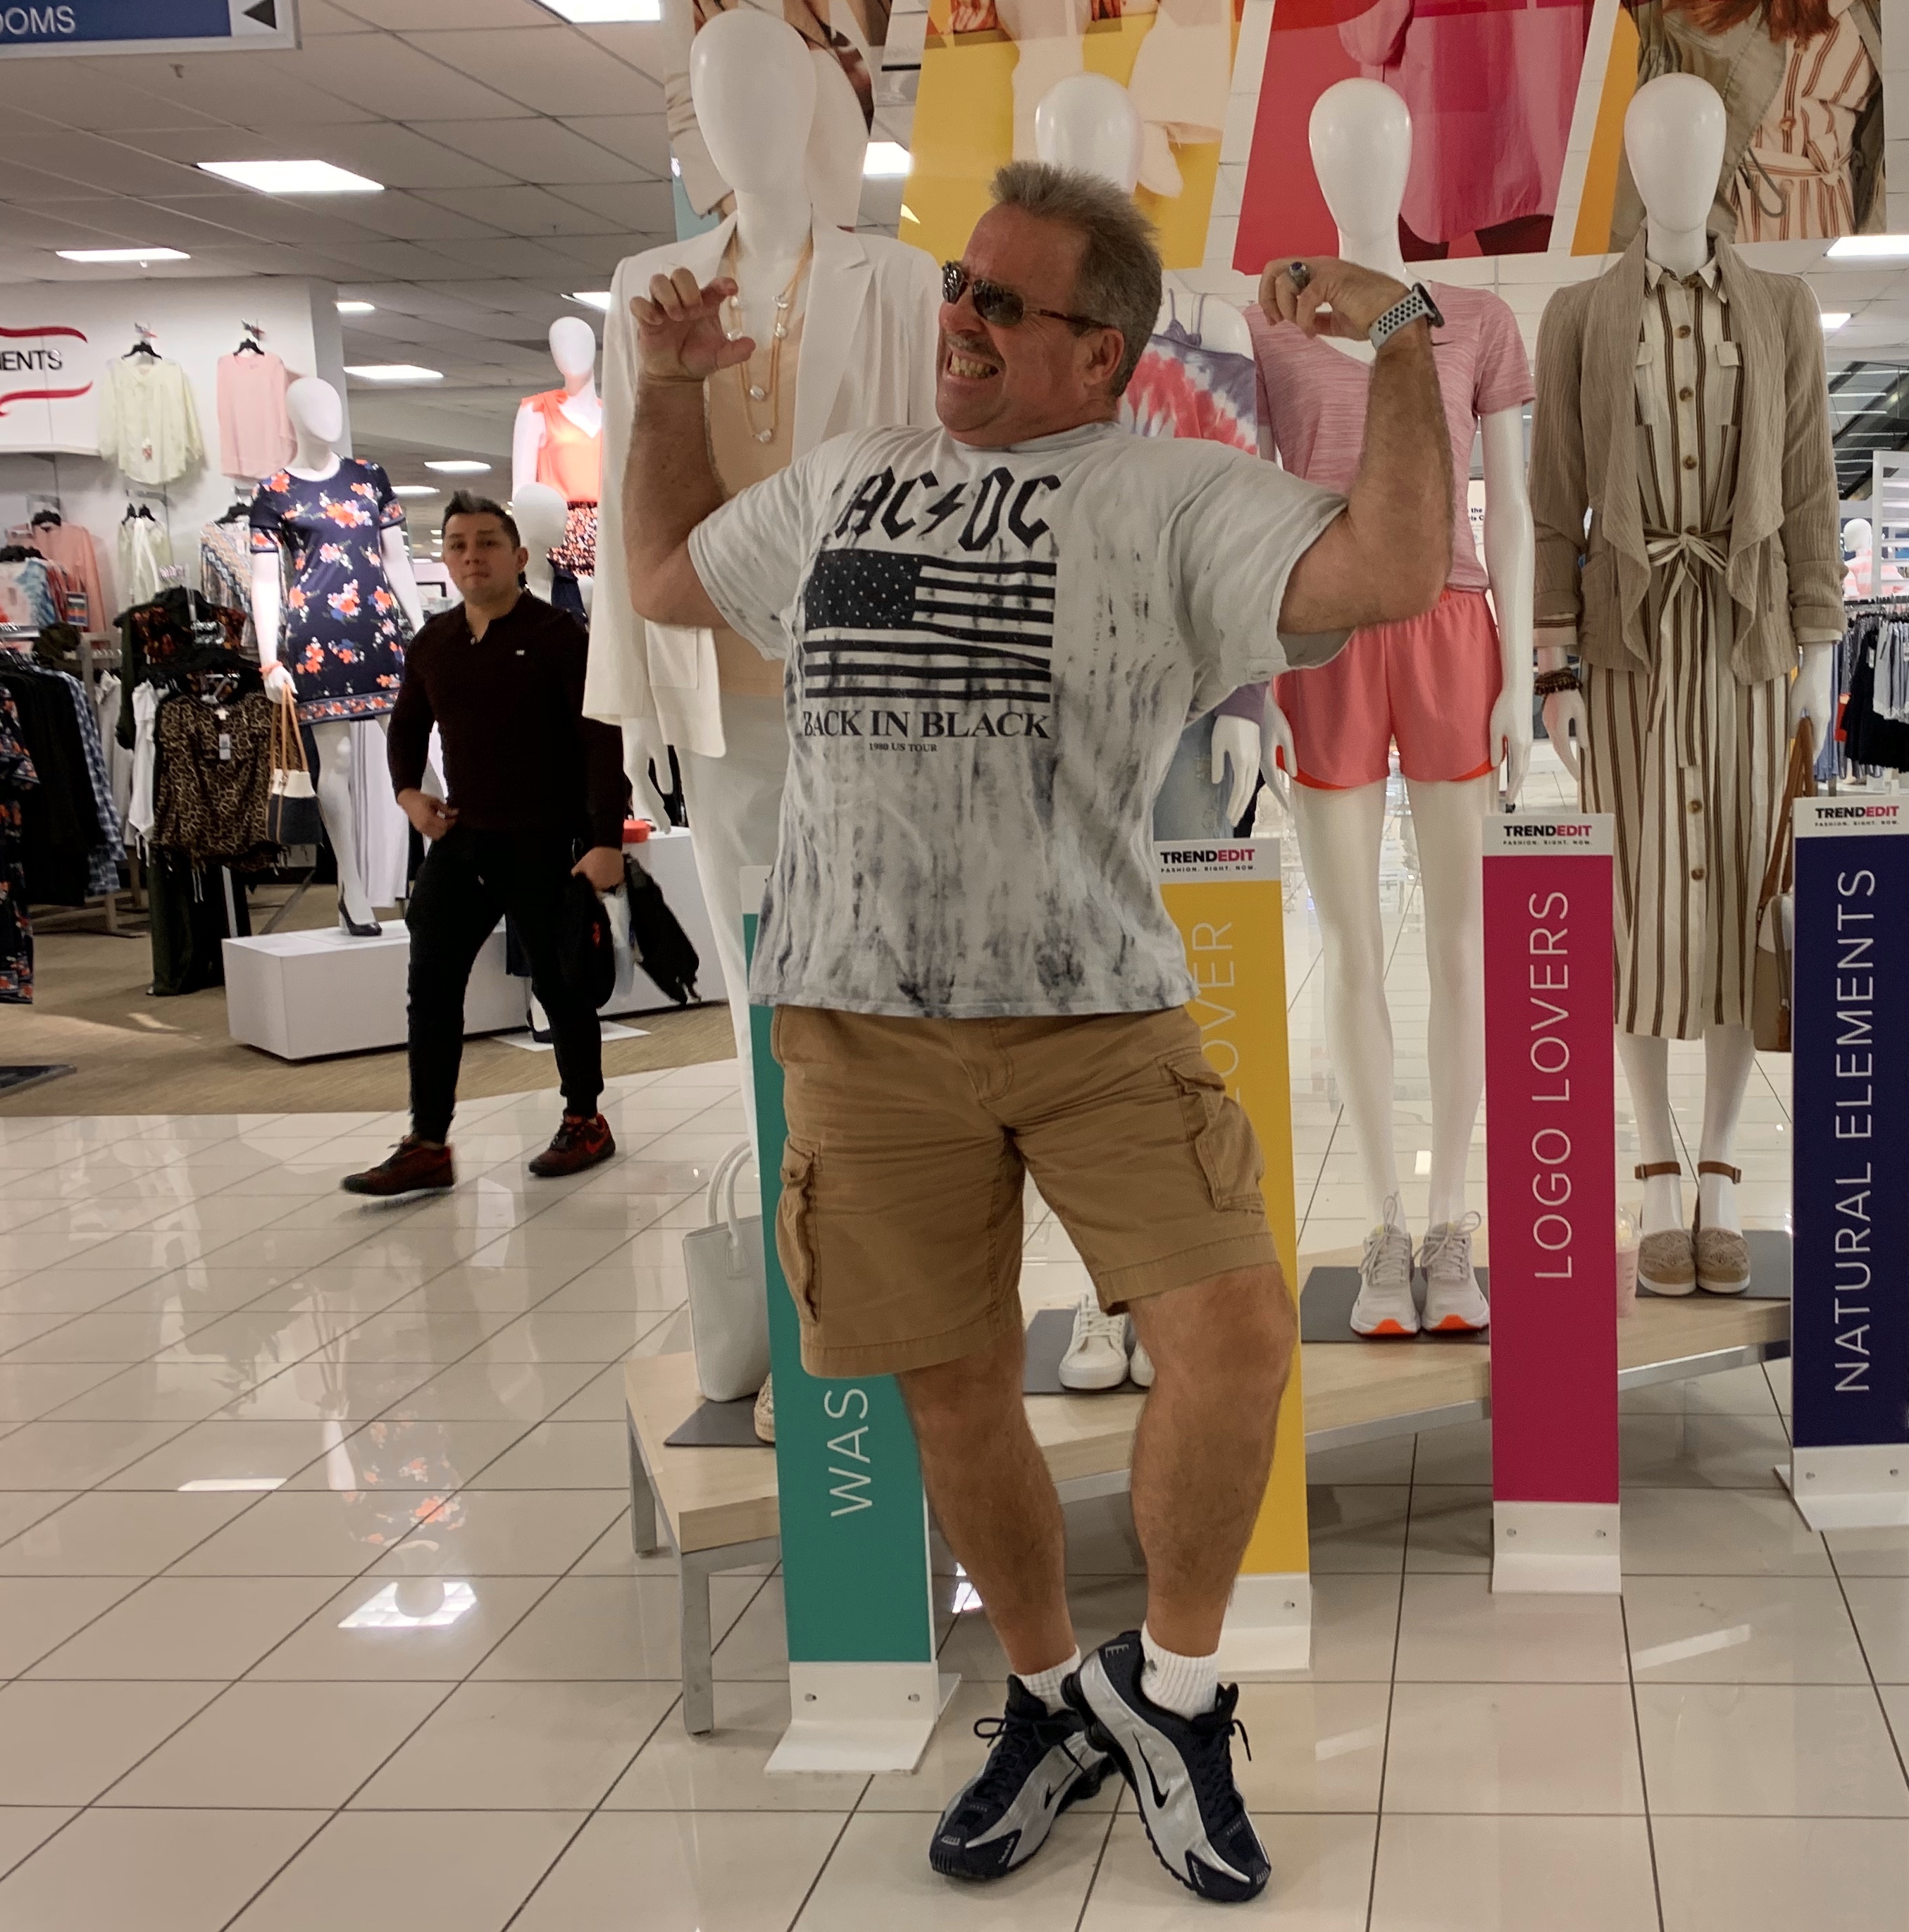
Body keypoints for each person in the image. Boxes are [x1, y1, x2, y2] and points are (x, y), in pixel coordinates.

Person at [624, 161, 1451, 1905]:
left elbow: (1388, 568)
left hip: (1097, 1007)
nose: (961, 318)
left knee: (1234, 1339)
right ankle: (1050, 1692)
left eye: (1005, 302)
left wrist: (1401, 341)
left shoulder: (1172, 493)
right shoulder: (847, 478)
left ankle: (1177, 1693)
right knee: (952, 1378)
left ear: (1100, 355)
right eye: (960, 285)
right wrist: (668, 389)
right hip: (860, 1021)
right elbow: (667, 575)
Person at [342, 493, 629, 1198]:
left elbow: (601, 740)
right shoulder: (434, 642)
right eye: (459, 545)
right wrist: (408, 794)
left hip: (546, 842)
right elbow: (406, 725)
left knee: (561, 987)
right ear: (445, 558)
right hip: (464, 842)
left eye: (488, 543)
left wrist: (605, 841)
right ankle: (428, 1142)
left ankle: (585, 1119)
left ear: (519, 555)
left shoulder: (560, 636)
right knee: (431, 989)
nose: (473, 556)